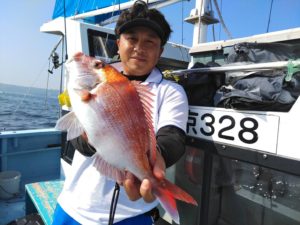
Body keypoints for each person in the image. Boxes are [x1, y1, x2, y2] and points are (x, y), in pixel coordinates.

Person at [52, 1, 189, 224]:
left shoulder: (170, 91)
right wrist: (88, 137)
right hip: (73, 206)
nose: (139, 47)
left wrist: (154, 164)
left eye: (149, 42)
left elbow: (172, 137)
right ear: (118, 43)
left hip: (131, 214)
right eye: (132, 38)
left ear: (160, 50)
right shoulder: (97, 80)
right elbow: (74, 131)